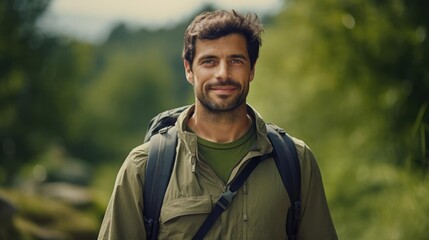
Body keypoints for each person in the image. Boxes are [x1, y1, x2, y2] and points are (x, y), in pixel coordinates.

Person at [98, 10, 338, 239]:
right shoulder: (145, 166)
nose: (223, 73)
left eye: (236, 60)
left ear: (252, 69)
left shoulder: (295, 160)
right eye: (209, 61)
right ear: (189, 69)